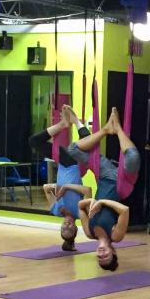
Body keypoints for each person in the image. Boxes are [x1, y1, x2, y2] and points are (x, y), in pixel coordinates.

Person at [69, 106, 140, 271]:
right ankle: (119, 129)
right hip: (121, 182)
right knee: (133, 157)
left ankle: (107, 129)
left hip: (104, 176)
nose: (101, 254)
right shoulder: (116, 235)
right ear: (113, 251)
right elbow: (124, 210)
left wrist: (91, 201)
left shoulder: (89, 232)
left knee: (73, 149)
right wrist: (101, 203)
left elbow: (80, 206)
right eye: (106, 255)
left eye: (99, 257)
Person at [33, 105, 93, 252]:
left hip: (61, 163)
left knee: (33, 142)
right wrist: (66, 187)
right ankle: (75, 122)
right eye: (69, 228)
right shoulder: (81, 212)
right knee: (86, 145)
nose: (66, 225)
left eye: (63, 228)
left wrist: (55, 187)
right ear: (75, 229)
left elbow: (46, 188)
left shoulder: (56, 210)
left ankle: (63, 124)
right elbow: (87, 190)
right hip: (74, 165)